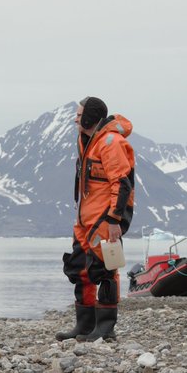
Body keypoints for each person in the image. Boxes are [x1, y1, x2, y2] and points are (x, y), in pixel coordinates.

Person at [56, 96, 135, 342]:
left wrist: (114, 219)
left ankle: (105, 327)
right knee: (79, 268)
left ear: (90, 117)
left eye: (79, 115)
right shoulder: (87, 140)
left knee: (106, 270)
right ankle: (85, 323)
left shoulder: (110, 142)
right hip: (85, 217)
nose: (76, 119)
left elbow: (121, 182)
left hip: (105, 217)